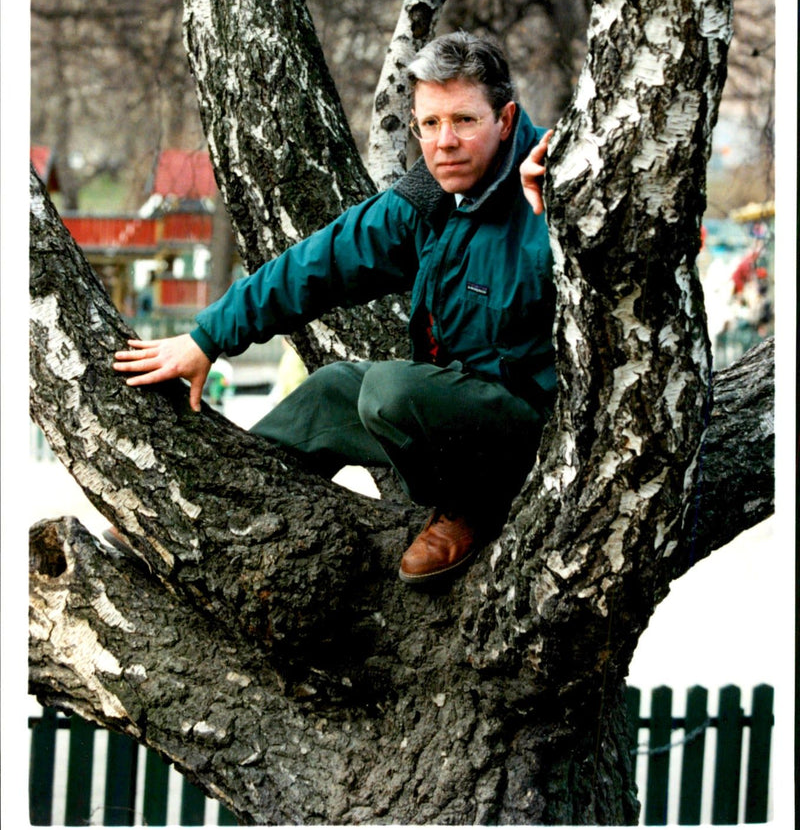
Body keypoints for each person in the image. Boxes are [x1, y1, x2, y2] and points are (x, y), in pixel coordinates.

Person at [114, 32, 555, 584]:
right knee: (334, 389)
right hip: (451, 403)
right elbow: (317, 265)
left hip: (528, 435)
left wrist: (565, 211)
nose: (444, 141)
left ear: (505, 120)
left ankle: (469, 509)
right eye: (430, 123)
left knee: (389, 391)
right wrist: (207, 338)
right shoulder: (430, 199)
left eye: (464, 120)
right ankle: (209, 508)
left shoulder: (557, 188)